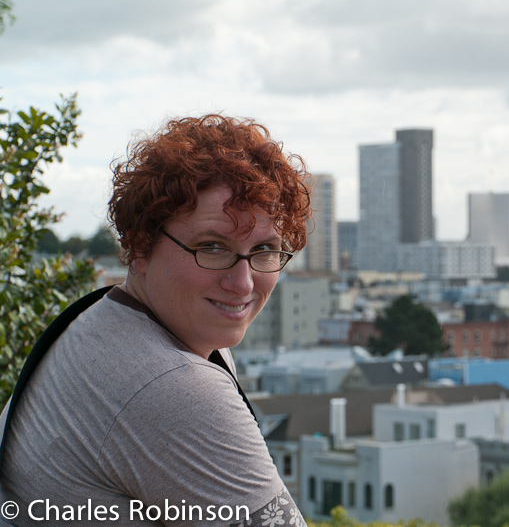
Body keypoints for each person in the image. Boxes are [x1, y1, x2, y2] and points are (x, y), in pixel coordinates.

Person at [0, 114, 312, 526]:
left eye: (266, 249)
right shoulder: (172, 385)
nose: (242, 283)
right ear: (141, 245)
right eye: (212, 246)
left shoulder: (101, 321)